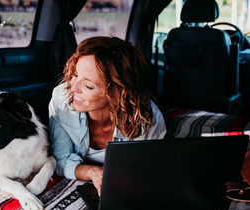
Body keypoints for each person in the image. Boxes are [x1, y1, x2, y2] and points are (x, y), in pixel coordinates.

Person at [48, 36, 167, 195]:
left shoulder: (147, 119)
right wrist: (92, 172)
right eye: (75, 75)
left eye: (88, 86)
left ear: (116, 93)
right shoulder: (61, 99)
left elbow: (146, 171)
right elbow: (61, 159)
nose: (73, 88)